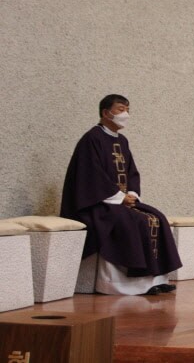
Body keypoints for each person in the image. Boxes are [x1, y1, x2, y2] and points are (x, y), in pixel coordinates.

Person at [60, 94, 182, 295]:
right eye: (120, 109)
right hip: (95, 203)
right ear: (105, 112)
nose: (126, 114)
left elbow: (131, 171)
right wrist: (118, 197)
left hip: (119, 201)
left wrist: (131, 193)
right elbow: (91, 175)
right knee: (134, 221)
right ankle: (127, 284)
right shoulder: (92, 138)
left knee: (156, 218)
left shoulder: (122, 141)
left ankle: (156, 279)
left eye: (128, 110)